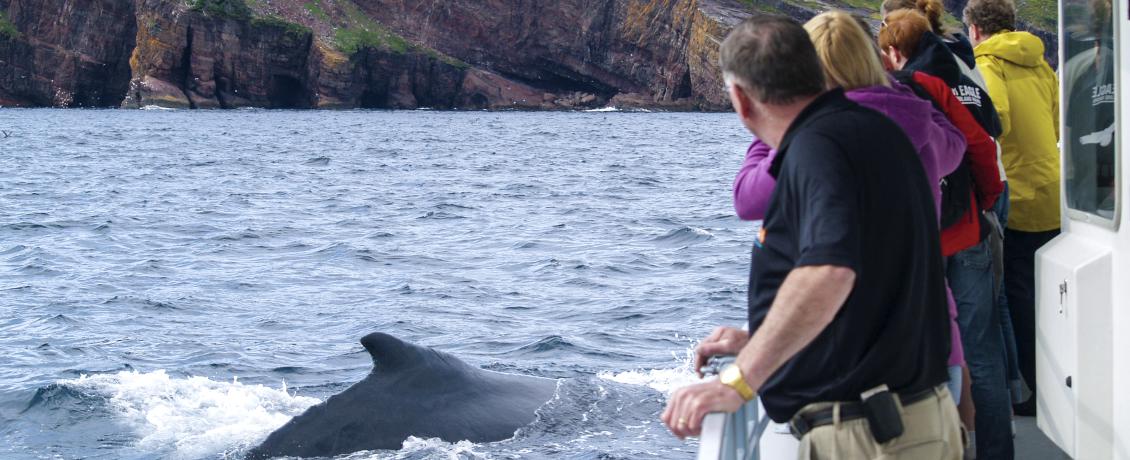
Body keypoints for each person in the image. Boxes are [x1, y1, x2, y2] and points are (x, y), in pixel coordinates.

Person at [662, 15, 960, 459]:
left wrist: (740, 378)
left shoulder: (820, 149)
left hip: (869, 435)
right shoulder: (877, 133)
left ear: (741, 100)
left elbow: (830, 271)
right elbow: (870, 285)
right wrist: (760, 339)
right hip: (912, 417)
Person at [732, 10, 968, 403]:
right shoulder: (917, 119)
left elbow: (748, 197)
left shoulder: (814, 140)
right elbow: (956, 148)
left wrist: (774, 117)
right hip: (932, 337)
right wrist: (896, 89)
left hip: (848, 355)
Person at [880, 9, 1013, 459]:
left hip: (920, 245)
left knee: (929, 352)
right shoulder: (945, 80)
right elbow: (980, 143)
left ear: (892, 52)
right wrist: (989, 197)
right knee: (983, 352)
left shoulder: (889, 95)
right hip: (968, 230)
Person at [964, 0, 1061, 417]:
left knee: (1017, 295)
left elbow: (994, 115)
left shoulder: (989, 62)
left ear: (975, 29)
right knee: (1050, 294)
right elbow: (1058, 121)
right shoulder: (1039, 61)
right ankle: (1057, 389)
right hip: (1053, 189)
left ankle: (1031, 391)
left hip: (1017, 192)